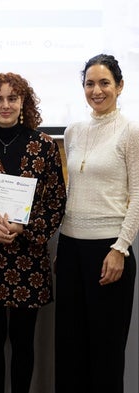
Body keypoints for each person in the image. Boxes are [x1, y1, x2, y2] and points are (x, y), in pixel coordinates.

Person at [0, 73, 66, 393]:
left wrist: (26, 227)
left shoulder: (44, 146)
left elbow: (57, 202)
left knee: (23, 342)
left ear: (23, 103)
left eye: (12, 98)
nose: (5, 105)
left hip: (28, 258)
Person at [55, 54, 139, 393]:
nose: (97, 90)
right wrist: (64, 244)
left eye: (105, 83)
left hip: (109, 250)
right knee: (70, 349)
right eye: (90, 83)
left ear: (119, 86)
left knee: (105, 351)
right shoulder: (74, 130)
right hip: (71, 248)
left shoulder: (131, 131)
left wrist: (121, 248)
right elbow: (73, 189)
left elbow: (138, 195)